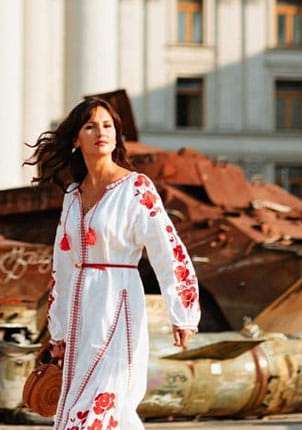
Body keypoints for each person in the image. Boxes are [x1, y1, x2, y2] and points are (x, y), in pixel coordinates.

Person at [26, 98, 200, 430]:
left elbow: (167, 250)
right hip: (80, 312)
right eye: (90, 126)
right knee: (101, 408)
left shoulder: (136, 188)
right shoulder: (73, 195)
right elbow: (62, 265)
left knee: (103, 400)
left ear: (117, 135)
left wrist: (183, 313)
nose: (100, 132)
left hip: (117, 304)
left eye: (107, 126)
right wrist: (58, 331)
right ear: (76, 139)